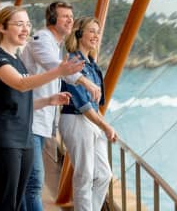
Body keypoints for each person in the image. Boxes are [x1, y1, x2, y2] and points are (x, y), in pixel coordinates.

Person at [0, 5, 84, 211]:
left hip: (25, 139)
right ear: (2, 28)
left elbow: (20, 101)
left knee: (19, 203)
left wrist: (48, 100)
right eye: (19, 24)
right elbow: (20, 83)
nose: (25, 29)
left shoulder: (17, 61)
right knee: (6, 203)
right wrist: (59, 71)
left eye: (28, 24)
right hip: (5, 140)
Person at [20, 2, 101, 211]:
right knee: (34, 184)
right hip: (30, 120)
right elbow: (56, 68)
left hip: (39, 119)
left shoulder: (53, 45)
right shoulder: (41, 40)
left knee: (28, 184)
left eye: (71, 17)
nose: (69, 20)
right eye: (64, 16)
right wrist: (85, 81)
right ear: (52, 19)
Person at [59, 16, 118, 211]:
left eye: (98, 31)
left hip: (91, 122)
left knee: (103, 175)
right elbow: (84, 105)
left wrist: (102, 124)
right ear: (79, 33)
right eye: (91, 31)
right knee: (85, 175)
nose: (96, 36)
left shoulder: (92, 65)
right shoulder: (73, 62)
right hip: (75, 120)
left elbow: (96, 104)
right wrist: (106, 126)